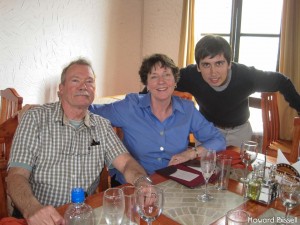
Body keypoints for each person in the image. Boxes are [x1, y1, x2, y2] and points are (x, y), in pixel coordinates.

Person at [6, 58, 150, 225]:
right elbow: (16, 176)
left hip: (82, 216)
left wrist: (142, 182)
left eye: (89, 82)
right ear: (61, 89)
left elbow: (126, 164)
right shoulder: (35, 118)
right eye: (75, 80)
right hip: (38, 215)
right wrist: (32, 209)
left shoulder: (101, 125)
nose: (83, 86)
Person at [89, 53, 226, 185]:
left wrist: (190, 153)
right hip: (132, 183)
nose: (162, 81)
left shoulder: (187, 109)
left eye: (167, 75)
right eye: (154, 77)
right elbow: (90, 110)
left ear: (174, 81)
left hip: (173, 181)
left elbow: (218, 140)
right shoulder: (130, 106)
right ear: (147, 83)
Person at [175, 35, 300, 147]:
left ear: (229, 63)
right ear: (198, 66)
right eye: (206, 65)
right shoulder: (191, 76)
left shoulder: (246, 76)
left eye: (219, 63)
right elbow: (163, 81)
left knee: (239, 171)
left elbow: (281, 81)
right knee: (206, 170)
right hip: (207, 129)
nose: (213, 73)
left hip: (239, 132)